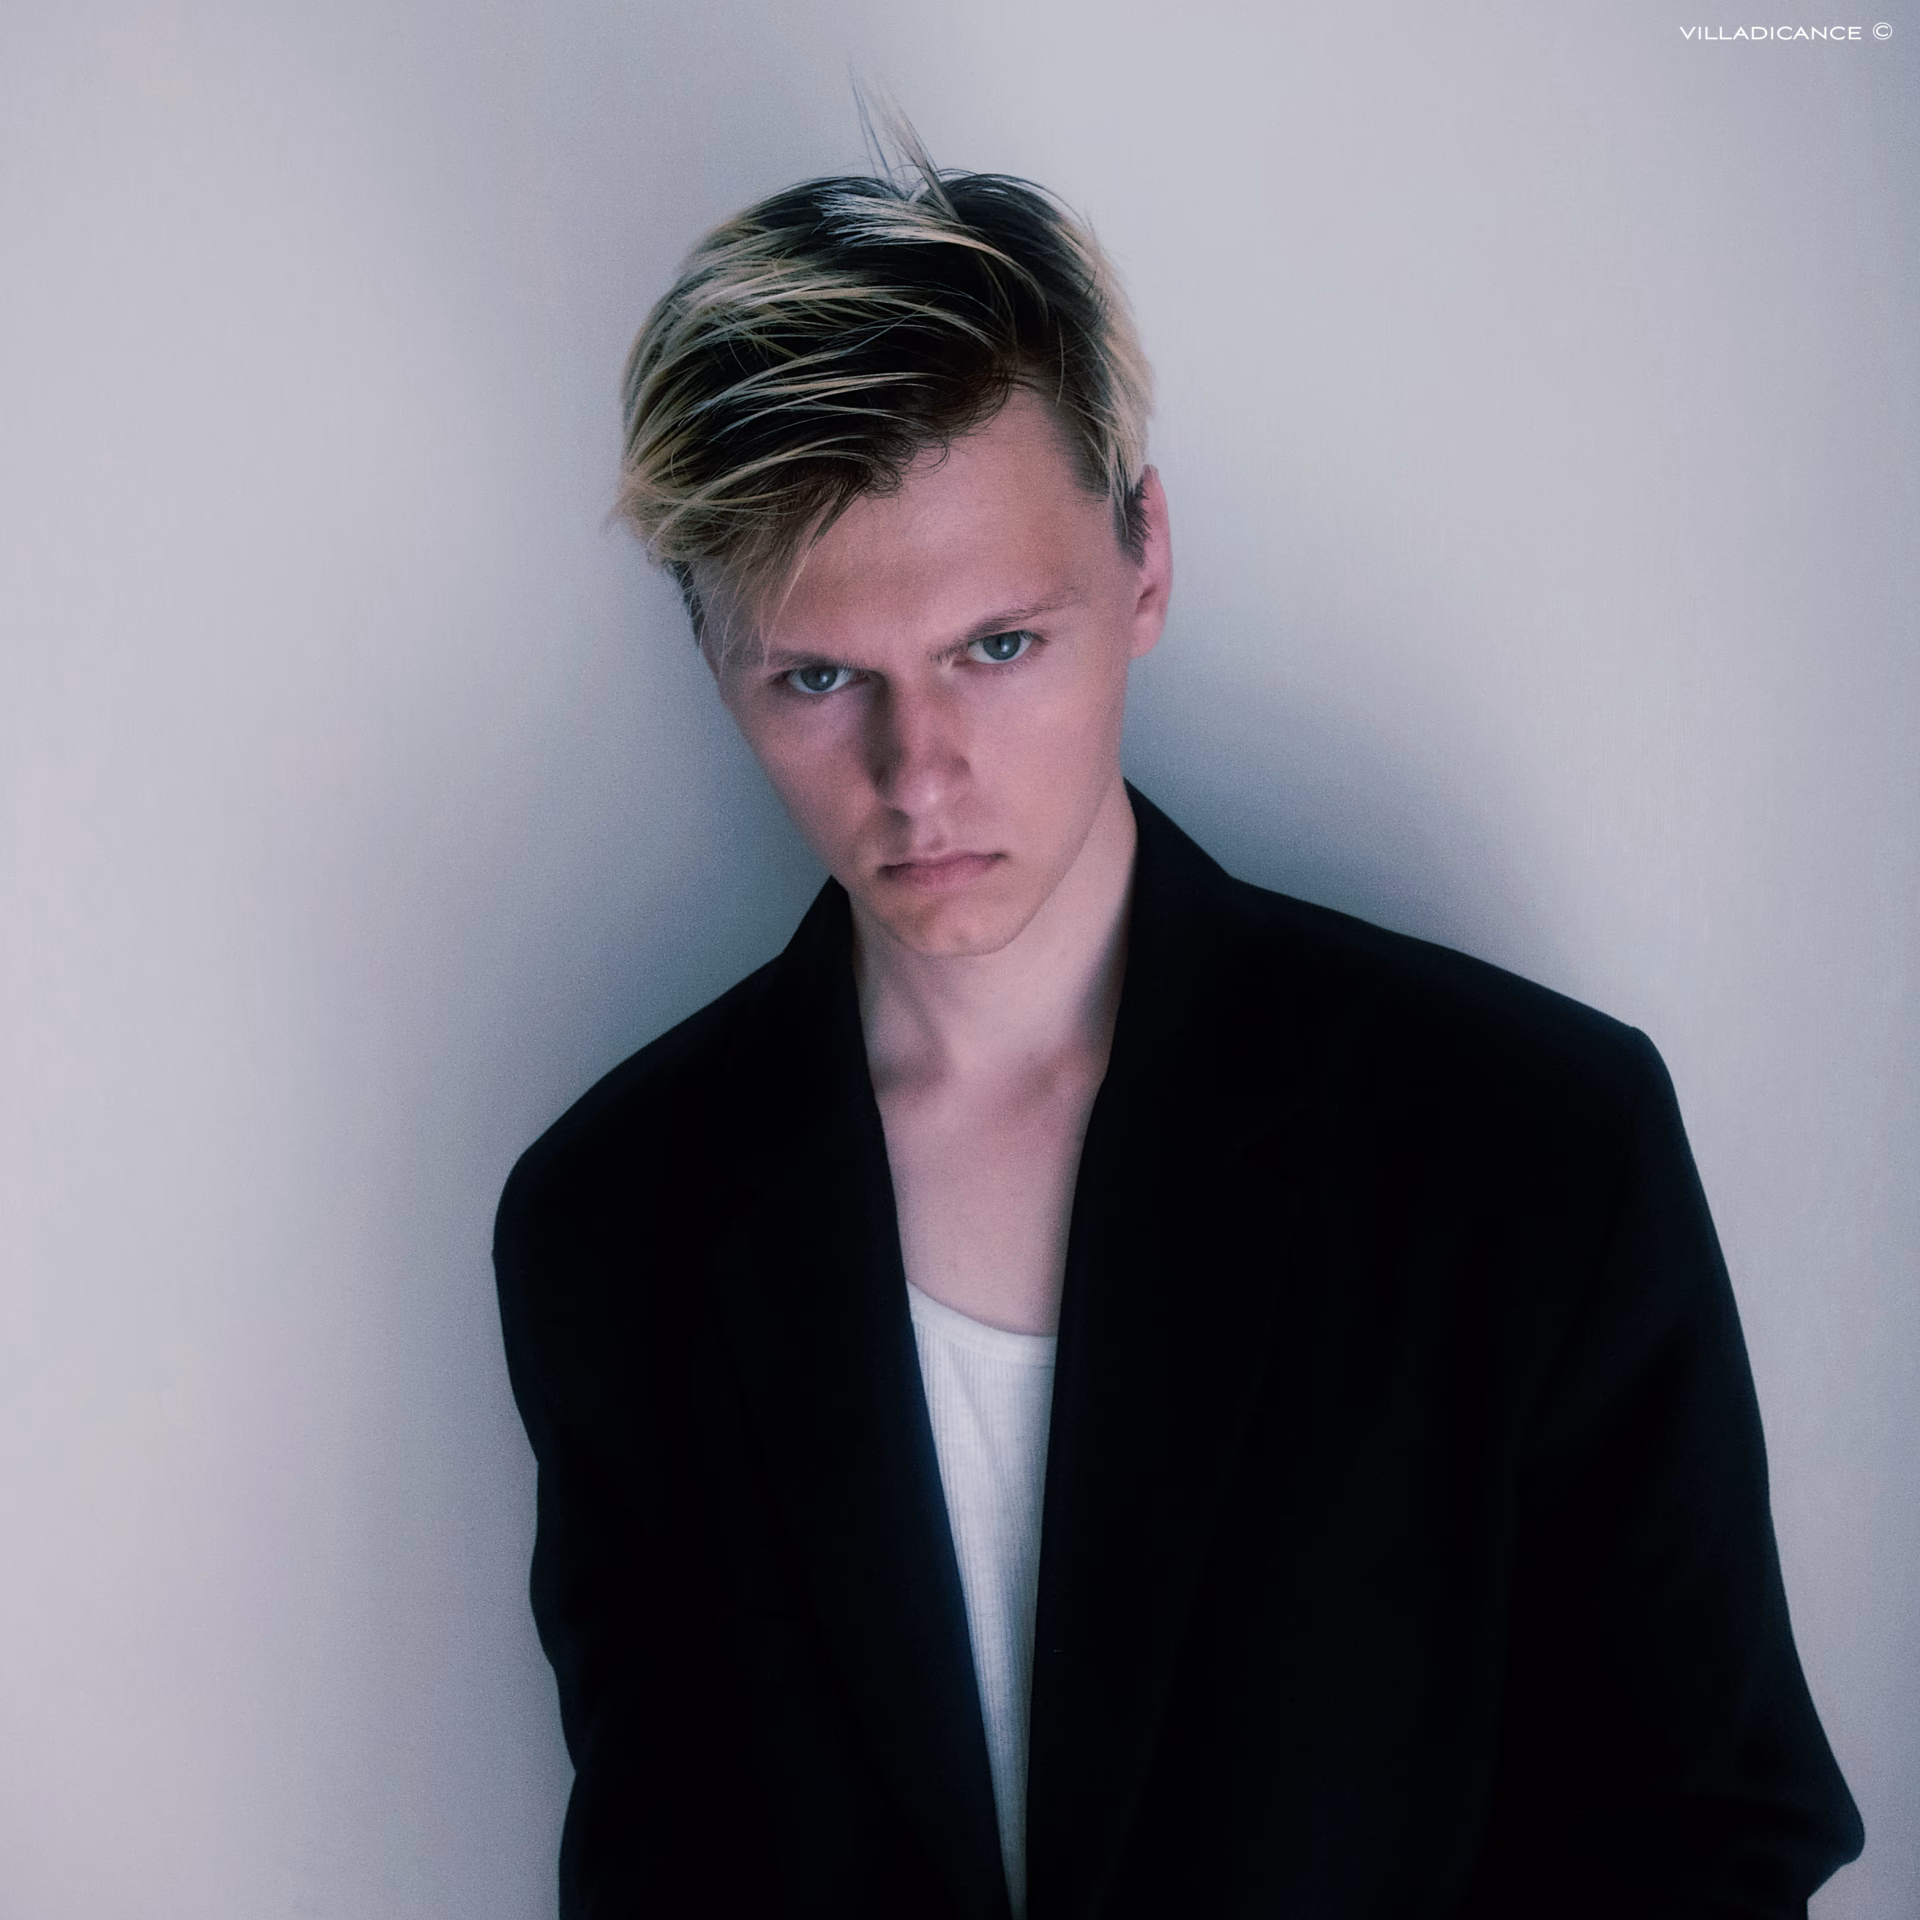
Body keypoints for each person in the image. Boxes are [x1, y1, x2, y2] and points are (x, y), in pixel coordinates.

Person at [491, 126, 1862, 1920]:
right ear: (711, 652)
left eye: (998, 646)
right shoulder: (609, 1225)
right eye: (822, 677)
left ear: (1145, 562)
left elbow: (1705, 1840)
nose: (920, 774)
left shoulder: (1531, 1147)